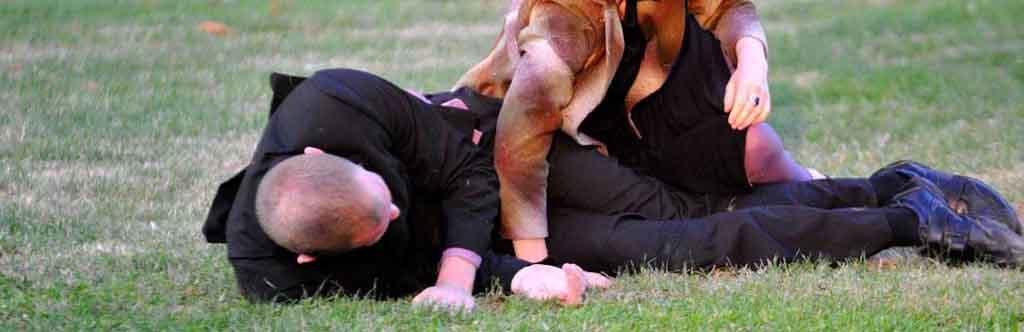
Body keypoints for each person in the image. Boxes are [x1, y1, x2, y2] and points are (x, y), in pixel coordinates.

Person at [202, 69, 610, 309]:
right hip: (469, 236)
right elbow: (402, 269)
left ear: (317, 152)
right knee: (623, 244)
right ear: (311, 258)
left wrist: (455, 280)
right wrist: (521, 278)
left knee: (633, 194)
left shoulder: (334, 102)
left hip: (480, 159)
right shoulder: (276, 280)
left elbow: (467, 170)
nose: (396, 209)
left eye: (382, 191)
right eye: (378, 226)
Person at [455, 0, 809, 263]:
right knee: (663, 216)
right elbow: (519, 139)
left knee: (755, 147)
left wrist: (752, 66)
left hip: (634, 107)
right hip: (545, 136)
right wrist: (532, 264)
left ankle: (819, 187)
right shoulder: (560, 28)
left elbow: (726, 8)